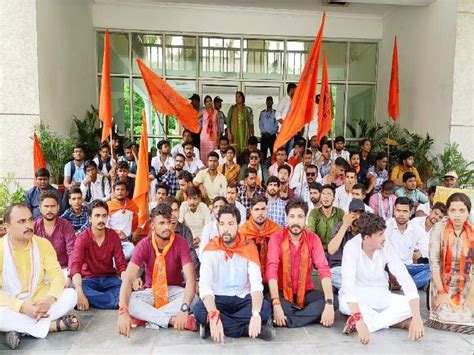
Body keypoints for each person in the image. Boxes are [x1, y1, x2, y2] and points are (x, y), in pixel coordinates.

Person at [0, 203, 79, 350]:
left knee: (71, 295)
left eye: (30, 220)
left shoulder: (43, 244)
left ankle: (16, 330)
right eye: (22, 221)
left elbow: (56, 276)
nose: (29, 225)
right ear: (7, 227)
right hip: (10, 304)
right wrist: (22, 306)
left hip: (40, 301)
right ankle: (51, 326)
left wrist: (49, 300)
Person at [338, 213, 424, 344]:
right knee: (344, 303)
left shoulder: (386, 246)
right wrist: (359, 319)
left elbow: (405, 278)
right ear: (366, 237)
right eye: (379, 235)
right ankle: (397, 322)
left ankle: (369, 324)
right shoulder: (351, 248)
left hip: (381, 294)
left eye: (383, 233)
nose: (384, 238)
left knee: (410, 306)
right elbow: (348, 288)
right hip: (358, 296)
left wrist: (417, 318)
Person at [193, 205, 275, 342]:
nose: (225, 228)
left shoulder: (248, 247)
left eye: (230, 224)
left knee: (265, 308)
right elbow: (205, 286)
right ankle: (250, 329)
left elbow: (256, 284)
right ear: (217, 226)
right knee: (199, 310)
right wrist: (213, 315)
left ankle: (212, 327)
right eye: (222, 224)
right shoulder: (210, 250)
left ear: (238, 225)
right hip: (218, 298)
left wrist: (255, 314)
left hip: (242, 298)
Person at [117, 204, 198, 335]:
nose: (167, 227)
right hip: (152, 291)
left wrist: (183, 309)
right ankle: (171, 320)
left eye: (169, 223)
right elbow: (128, 278)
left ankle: (147, 318)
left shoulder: (181, 242)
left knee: (194, 299)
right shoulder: (144, 244)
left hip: (174, 291)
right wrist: (123, 312)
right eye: (161, 223)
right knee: (129, 302)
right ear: (152, 225)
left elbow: (190, 279)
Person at [266, 198, 337, 328]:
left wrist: (329, 304)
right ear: (286, 218)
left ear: (305, 219)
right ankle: (301, 315)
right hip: (282, 292)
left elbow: (323, 269)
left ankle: (287, 320)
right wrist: (276, 303)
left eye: (300, 217)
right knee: (271, 304)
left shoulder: (313, 239)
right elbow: (271, 270)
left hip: (305, 292)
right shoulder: (276, 238)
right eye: (292, 216)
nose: (296, 222)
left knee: (333, 301)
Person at [428, 192, 473, 333]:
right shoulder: (438, 229)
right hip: (442, 283)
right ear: (447, 212)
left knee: (469, 313)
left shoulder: (472, 232)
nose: (457, 215)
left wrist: (471, 297)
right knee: (445, 318)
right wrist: (441, 292)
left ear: (468, 212)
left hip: (468, 284)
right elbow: (434, 263)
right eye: (453, 210)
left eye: (462, 210)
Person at [70, 200, 127, 310]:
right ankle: (115, 301)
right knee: (75, 288)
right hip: (89, 279)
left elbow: (121, 265)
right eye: (97, 216)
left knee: (125, 287)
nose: (101, 220)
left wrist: (127, 283)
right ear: (90, 218)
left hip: (110, 279)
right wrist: (79, 292)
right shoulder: (82, 238)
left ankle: (98, 301)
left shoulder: (113, 236)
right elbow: (76, 266)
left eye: (104, 216)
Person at [385, 197, 430, 289]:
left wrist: (421, 252)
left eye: (405, 211)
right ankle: (409, 284)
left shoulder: (416, 229)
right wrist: (391, 272)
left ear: (410, 212)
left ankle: (401, 286)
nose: (401, 214)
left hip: (408, 268)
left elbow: (429, 248)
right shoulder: (386, 226)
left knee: (433, 270)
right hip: (388, 267)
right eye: (398, 210)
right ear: (394, 211)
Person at [327, 200, 365, 289]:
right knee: (329, 276)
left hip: (359, 270)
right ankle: (360, 290)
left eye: (361, 214)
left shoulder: (366, 228)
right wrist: (345, 226)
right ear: (349, 213)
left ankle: (355, 289)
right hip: (340, 269)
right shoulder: (340, 226)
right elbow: (331, 250)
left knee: (384, 274)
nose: (358, 217)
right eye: (355, 213)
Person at [34, 191, 76, 270]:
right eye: (46, 206)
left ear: (58, 207)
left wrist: (71, 271)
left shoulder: (66, 225)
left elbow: (72, 250)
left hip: (62, 269)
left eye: (53, 206)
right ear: (40, 208)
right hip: (40, 270)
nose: (49, 210)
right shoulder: (34, 226)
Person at [240, 195, 280, 275]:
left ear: (267, 210)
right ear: (251, 211)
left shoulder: (275, 229)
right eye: (256, 209)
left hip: (272, 274)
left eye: (263, 209)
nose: (260, 213)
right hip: (249, 276)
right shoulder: (244, 231)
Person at [168, 197, 200, 277]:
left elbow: (191, 254)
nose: (173, 214)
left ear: (179, 211)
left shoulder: (185, 231)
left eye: (175, 210)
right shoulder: (159, 230)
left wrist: (190, 275)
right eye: (170, 211)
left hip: (182, 272)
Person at [107, 182, 139, 260]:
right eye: (117, 189)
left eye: (122, 189)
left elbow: (137, 222)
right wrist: (116, 233)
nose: (120, 192)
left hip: (126, 240)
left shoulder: (133, 205)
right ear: (114, 192)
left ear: (127, 192)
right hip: (111, 239)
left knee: (132, 251)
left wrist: (136, 231)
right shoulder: (108, 206)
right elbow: (106, 225)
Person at [307, 185, 344, 251]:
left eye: (329, 194)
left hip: (335, 251)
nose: (326, 197)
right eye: (323, 194)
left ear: (333, 198)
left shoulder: (340, 213)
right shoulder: (314, 213)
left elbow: (343, 234)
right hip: (317, 250)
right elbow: (310, 235)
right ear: (321, 197)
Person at [227, 91, 254, 156]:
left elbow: (250, 123)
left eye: (239, 97)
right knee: (234, 149)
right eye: (236, 97)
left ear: (243, 98)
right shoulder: (232, 108)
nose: (237, 98)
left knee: (243, 150)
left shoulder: (246, 110)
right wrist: (229, 133)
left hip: (243, 134)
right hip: (234, 133)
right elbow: (228, 121)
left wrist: (252, 135)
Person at [275, 83, 297, 153]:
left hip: (291, 131)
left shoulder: (293, 101)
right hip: (283, 130)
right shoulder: (284, 100)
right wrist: (286, 124)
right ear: (291, 90)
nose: (296, 92)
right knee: (282, 150)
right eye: (295, 90)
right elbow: (277, 114)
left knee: (289, 150)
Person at [200, 95, 221, 162]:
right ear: (205, 103)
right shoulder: (203, 111)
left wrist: (218, 138)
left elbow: (218, 126)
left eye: (210, 101)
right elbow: (194, 118)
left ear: (212, 102)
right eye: (207, 101)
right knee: (204, 154)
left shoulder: (216, 112)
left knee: (213, 153)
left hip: (213, 136)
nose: (209, 103)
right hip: (204, 136)